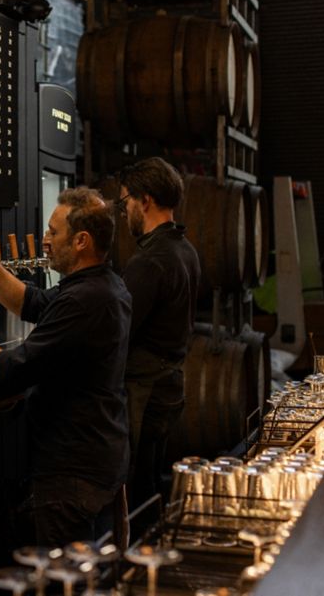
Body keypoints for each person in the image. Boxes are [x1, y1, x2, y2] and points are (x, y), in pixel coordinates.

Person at [0, 187, 131, 547]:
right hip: (100, 454)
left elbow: (16, 370)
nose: (45, 240)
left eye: (53, 232)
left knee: (67, 571)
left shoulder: (84, 300)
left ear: (81, 240)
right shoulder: (102, 284)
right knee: (94, 567)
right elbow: (29, 302)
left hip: (74, 469)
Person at [117, 157, 200, 512]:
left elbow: (120, 330)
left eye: (125, 201)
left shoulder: (150, 260)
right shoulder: (185, 249)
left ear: (145, 200)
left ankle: (139, 545)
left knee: (135, 486)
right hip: (169, 382)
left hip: (144, 389)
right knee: (151, 478)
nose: (124, 211)